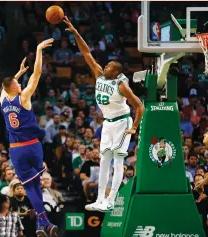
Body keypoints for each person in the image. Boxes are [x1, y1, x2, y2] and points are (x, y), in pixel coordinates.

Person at [63, 16, 145, 212]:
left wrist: (134, 127)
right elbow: (86, 53)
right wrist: (75, 32)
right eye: (106, 65)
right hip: (108, 123)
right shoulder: (99, 75)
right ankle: (101, 199)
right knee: (104, 160)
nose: (105, 66)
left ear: (116, 73)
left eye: (110, 66)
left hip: (122, 123)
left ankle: (112, 199)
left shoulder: (121, 86)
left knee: (118, 160)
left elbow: (139, 106)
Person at [0, 38, 58, 237]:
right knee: (36, 184)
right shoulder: (23, 97)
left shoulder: (2, 100)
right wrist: (39, 50)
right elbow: (38, 73)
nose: (19, 83)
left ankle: (44, 223)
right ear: (15, 87)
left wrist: (17, 74)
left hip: (16, 149)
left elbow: (5, 87)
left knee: (30, 186)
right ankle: (44, 222)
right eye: (17, 82)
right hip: (32, 146)